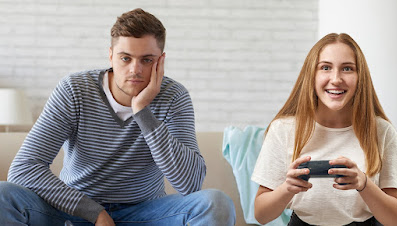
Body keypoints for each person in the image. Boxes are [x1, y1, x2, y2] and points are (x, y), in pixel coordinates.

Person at [0, 8, 235, 226]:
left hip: (145, 214)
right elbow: (24, 169)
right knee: (3, 194)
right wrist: (96, 213)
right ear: (111, 56)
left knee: (217, 203)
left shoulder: (174, 97)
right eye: (125, 58)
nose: (135, 70)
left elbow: (189, 184)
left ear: (161, 61)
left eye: (147, 60)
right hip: (75, 212)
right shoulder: (74, 89)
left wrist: (142, 111)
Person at [251, 33, 397, 225]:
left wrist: (364, 184)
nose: (336, 79)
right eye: (325, 68)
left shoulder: (382, 131)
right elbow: (261, 215)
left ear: (360, 77)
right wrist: (287, 188)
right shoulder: (283, 129)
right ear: (311, 75)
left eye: (347, 68)